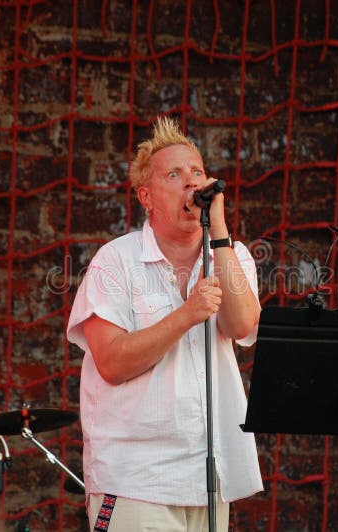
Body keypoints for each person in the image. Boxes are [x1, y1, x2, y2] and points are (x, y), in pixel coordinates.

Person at [67, 116, 263, 531]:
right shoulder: (115, 261)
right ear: (146, 196)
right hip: (136, 478)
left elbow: (244, 325)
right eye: (174, 175)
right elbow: (113, 363)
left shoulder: (231, 254)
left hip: (210, 477)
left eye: (197, 173)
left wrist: (221, 231)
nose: (191, 184)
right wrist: (187, 314)